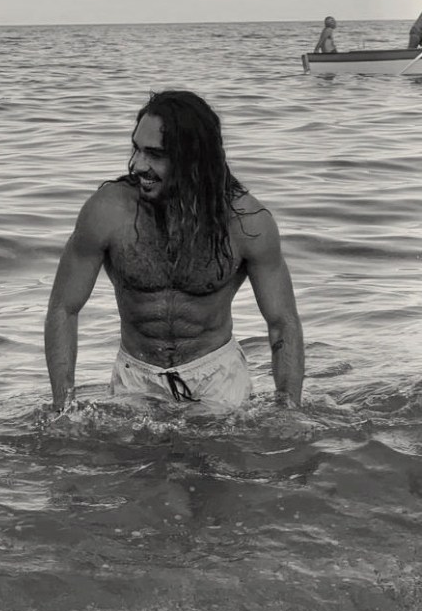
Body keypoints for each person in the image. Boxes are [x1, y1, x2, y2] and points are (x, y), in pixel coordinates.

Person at [44, 90, 304, 414]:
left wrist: (288, 409)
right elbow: (63, 309)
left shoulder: (247, 221)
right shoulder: (107, 212)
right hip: (136, 376)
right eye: (136, 149)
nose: (138, 165)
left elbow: (282, 321)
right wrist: (63, 408)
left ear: (193, 158)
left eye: (154, 154)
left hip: (218, 376)